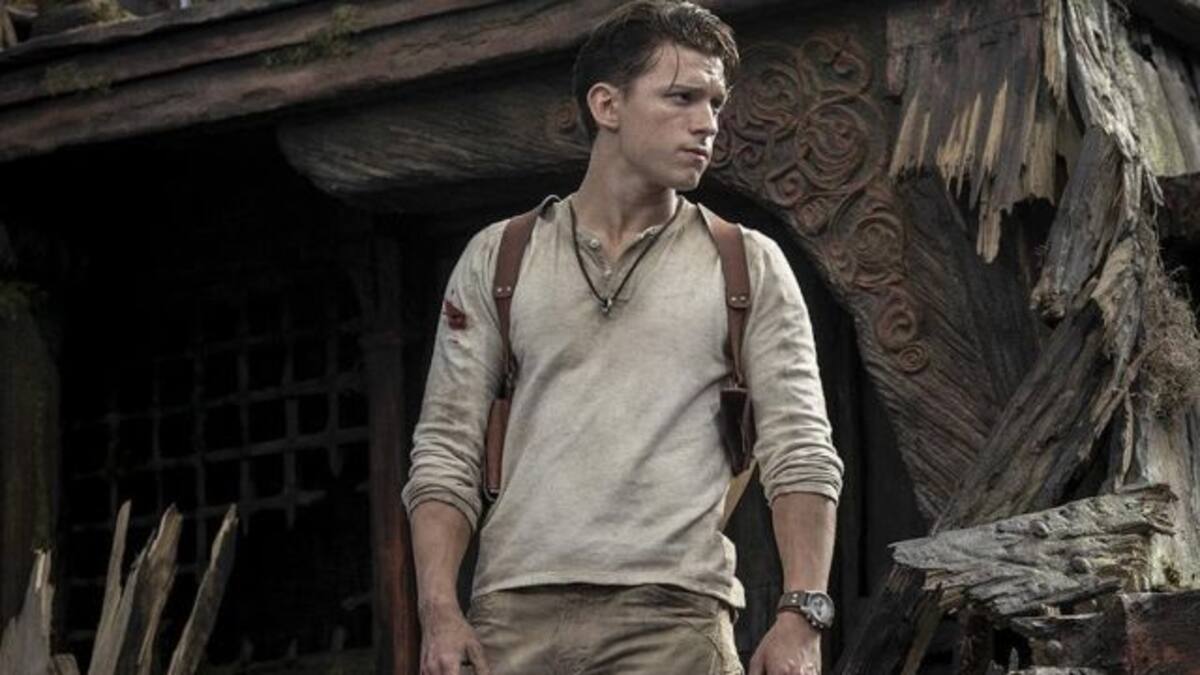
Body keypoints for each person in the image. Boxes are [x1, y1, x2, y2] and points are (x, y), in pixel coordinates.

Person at [401, 2, 843, 674]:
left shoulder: (746, 264)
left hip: (674, 620)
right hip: (513, 622)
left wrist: (802, 616)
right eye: (682, 97)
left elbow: (801, 448)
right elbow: (445, 450)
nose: (708, 122)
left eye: (716, 103)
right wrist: (439, 612)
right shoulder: (500, 257)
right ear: (607, 105)